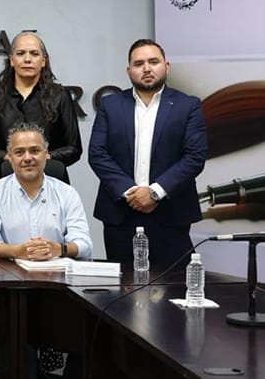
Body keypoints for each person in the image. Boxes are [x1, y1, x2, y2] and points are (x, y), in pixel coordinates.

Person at [0, 122, 91, 379]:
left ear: (47, 154)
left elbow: (85, 243)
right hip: (13, 287)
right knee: (19, 334)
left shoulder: (66, 193)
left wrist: (59, 248)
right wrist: (17, 251)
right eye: (20, 152)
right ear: (9, 157)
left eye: (35, 151)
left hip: (59, 288)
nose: (28, 158)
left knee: (90, 329)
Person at [89, 39, 207, 268]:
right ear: (128, 71)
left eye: (153, 62)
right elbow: (98, 154)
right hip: (121, 212)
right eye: (139, 63)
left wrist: (154, 193)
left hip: (170, 212)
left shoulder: (188, 105)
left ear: (166, 66)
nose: (146, 68)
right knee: (123, 286)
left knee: (172, 284)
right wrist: (131, 192)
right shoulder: (110, 105)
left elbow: (194, 157)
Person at [0, 32, 81, 183]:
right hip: (4, 180)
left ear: (43, 61)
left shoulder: (59, 95)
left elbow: (74, 148)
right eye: (21, 53)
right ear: (12, 60)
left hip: (51, 181)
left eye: (34, 54)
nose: (27, 59)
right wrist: (10, 158)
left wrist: (43, 157)